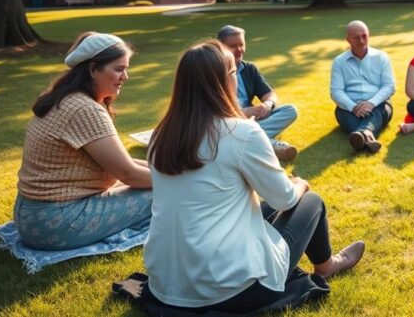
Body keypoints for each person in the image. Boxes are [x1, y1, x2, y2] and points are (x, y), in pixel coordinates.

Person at [143, 40, 364, 314]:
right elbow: (283, 199)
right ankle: (327, 265)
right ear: (224, 82)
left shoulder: (160, 135)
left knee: (262, 208)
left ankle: (324, 261)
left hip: (165, 284)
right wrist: (299, 184)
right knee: (311, 200)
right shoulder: (240, 132)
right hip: (230, 288)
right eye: (234, 72)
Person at [14, 32, 152, 250]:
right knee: (163, 194)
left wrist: (163, 171)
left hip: (33, 216)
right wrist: (178, 182)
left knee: (158, 182)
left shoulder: (65, 97)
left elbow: (124, 163)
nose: (126, 76)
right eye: (119, 69)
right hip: (56, 223)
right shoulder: (84, 109)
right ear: (93, 69)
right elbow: (128, 174)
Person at [217, 25, 300, 162]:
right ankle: (272, 145)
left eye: (241, 45)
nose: (239, 50)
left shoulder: (249, 68)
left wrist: (267, 104)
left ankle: (252, 141)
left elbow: (269, 94)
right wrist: (248, 112)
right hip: (229, 122)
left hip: (252, 121)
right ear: (221, 47)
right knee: (226, 128)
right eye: (233, 46)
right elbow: (217, 114)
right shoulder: (213, 72)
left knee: (290, 110)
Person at [330, 20, 396, 153]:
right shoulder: (339, 62)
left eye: (364, 36)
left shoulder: (381, 57)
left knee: (376, 112)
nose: (361, 40)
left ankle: (361, 135)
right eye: (356, 37)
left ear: (369, 35)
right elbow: (336, 91)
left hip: (379, 105)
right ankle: (367, 135)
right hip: (348, 108)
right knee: (348, 115)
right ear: (348, 40)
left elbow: (389, 86)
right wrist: (353, 107)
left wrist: (371, 103)